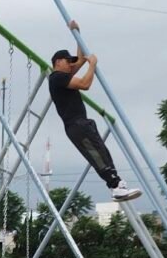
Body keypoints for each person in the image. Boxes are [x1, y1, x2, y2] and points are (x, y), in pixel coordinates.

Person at [49, 20, 141, 203]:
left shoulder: (63, 75)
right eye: (68, 62)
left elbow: (81, 59)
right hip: (76, 125)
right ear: (58, 62)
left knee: (102, 151)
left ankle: (117, 184)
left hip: (81, 123)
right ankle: (115, 186)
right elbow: (85, 84)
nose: (71, 65)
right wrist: (93, 65)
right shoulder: (57, 77)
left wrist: (77, 33)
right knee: (97, 155)